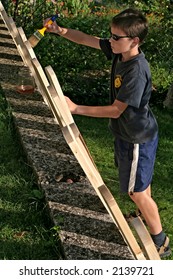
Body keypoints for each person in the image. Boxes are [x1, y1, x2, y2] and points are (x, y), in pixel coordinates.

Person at [45, 8, 171, 258]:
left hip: (137, 137)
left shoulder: (136, 70)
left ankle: (161, 241)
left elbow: (115, 111)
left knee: (136, 191)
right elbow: (85, 39)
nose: (110, 41)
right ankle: (145, 216)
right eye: (111, 36)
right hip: (129, 133)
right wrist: (60, 31)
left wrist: (75, 108)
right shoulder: (120, 51)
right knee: (141, 187)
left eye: (116, 37)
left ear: (134, 41)